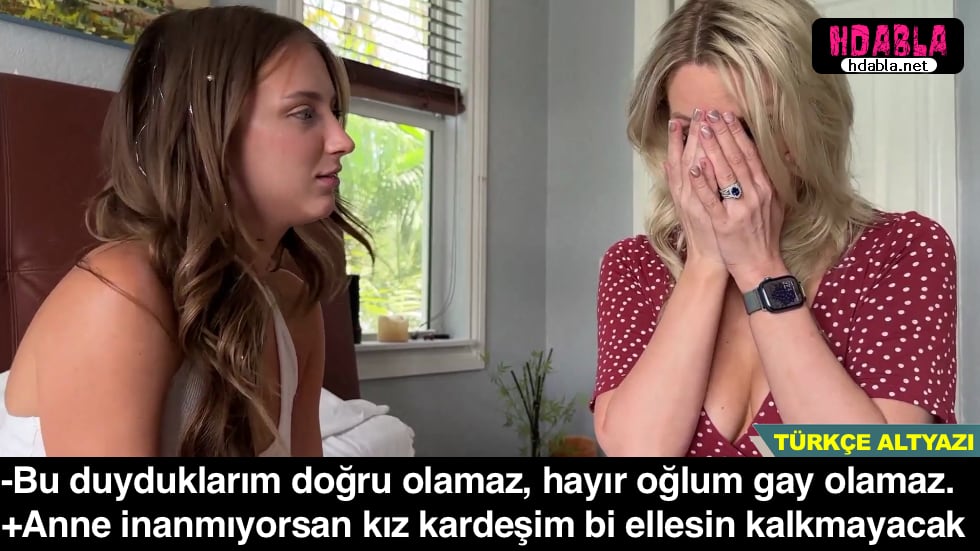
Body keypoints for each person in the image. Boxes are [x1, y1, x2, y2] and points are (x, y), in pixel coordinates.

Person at [0, 5, 372, 457]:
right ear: (206, 129)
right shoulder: (120, 296)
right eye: (304, 113)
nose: (343, 140)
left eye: (334, 111)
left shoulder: (294, 307)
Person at [591, 0, 958, 457]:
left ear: (808, 125)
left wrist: (758, 266)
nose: (710, 159)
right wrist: (705, 261)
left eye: (742, 129)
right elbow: (639, 453)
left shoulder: (903, 250)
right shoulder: (634, 266)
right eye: (689, 130)